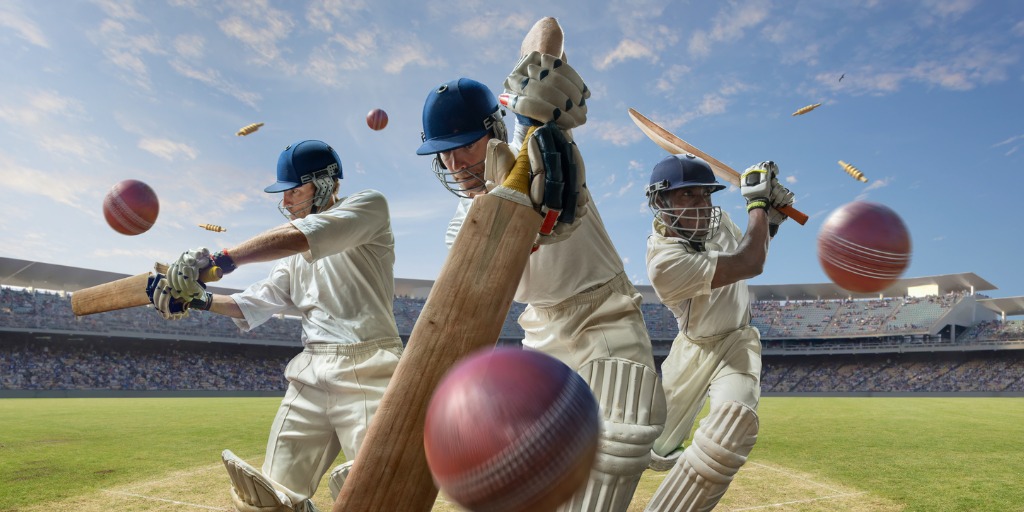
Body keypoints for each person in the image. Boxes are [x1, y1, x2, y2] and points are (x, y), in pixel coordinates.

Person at [415, 73, 666, 511]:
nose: (455, 165)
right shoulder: (461, 221)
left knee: (620, 448)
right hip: (540, 335)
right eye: (444, 155)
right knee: (527, 469)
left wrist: (531, 89)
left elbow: (545, 31)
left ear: (494, 131)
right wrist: (511, 199)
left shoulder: (537, 142)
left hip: (602, 313)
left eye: (465, 148)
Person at [147, 139, 402, 512]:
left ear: (327, 182)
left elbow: (302, 235)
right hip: (311, 372)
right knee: (266, 500)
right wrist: (197, 299)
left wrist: (219, 261)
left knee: (375, 496)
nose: (286, 203)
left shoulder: (369, 207)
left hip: (370, 366)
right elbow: (249, 304)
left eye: (295, 190)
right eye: (284, 194)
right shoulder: (291, 259)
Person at [641, 154, 794, 511]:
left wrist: (770, 219)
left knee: (732, 423)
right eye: (688, 196)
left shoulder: (720, 220)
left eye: (706, 195)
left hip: (738, 342)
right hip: (693, 350)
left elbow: (752, 247)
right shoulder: (665, 263)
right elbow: (748, 263)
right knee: (651, 446)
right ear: (660, 203)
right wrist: (758, 202)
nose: (702, 205)